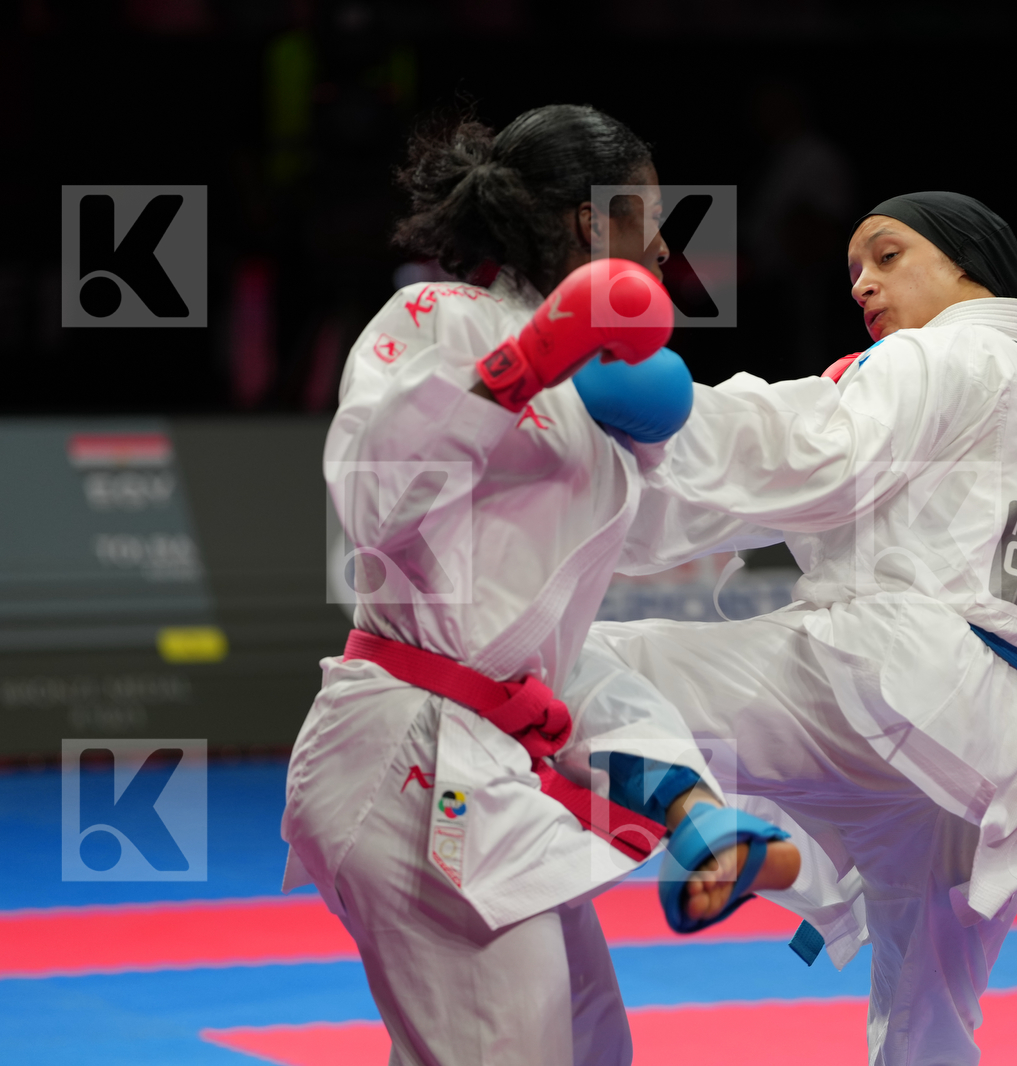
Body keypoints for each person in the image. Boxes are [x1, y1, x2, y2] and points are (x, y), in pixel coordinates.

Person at [581, 191, 1017, 1064]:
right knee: (927, 1026)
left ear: (965, 264)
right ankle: (710, 822)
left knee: (572, 665)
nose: (865, 284)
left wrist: (646, 428)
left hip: (896, 679)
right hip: (1013, 762)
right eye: (856, 272)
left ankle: (694, 823)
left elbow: (808, 451)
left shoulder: (936, 355)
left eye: (888, 256)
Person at [279, 105, 798, 1066]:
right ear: (590, 226)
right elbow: (373, 501)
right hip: (408, 748)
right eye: (647, 214)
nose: (667, 241)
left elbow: (668, 526)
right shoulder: (441, 319)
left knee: (590, 1044)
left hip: (483, 762)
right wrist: (525, 365)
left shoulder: (592, 392)